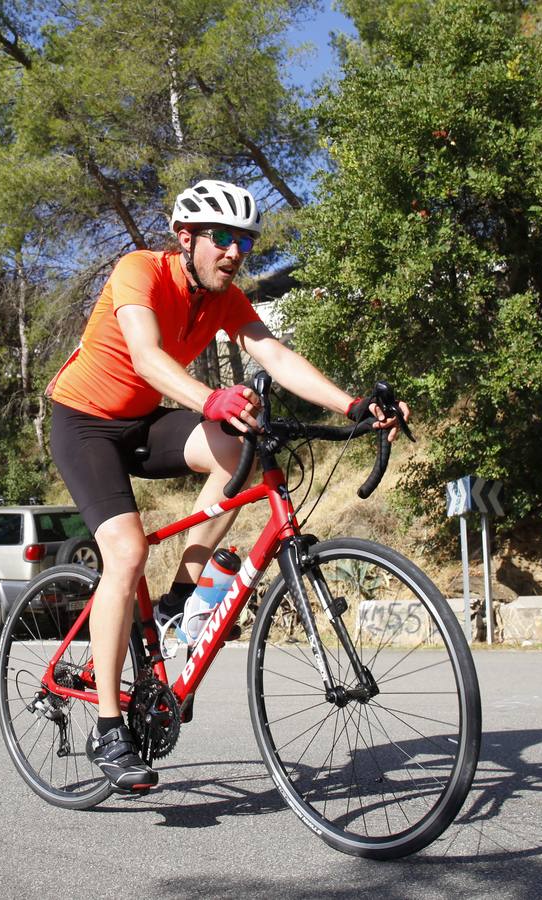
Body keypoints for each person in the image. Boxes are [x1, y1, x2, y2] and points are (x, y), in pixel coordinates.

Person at [46, 179, 409, 792]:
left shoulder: (225, 299)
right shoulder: (140, 270)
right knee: (128, 553)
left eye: (245, 241)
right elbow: (145, 357)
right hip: (84, 423)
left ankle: (177, 599)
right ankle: (109, 727)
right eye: (223, 239)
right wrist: (210, 397)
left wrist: (351, 405)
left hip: (140, 422)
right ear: (186, 239)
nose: (236, 252)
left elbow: (279, 357)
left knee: (236, 447)